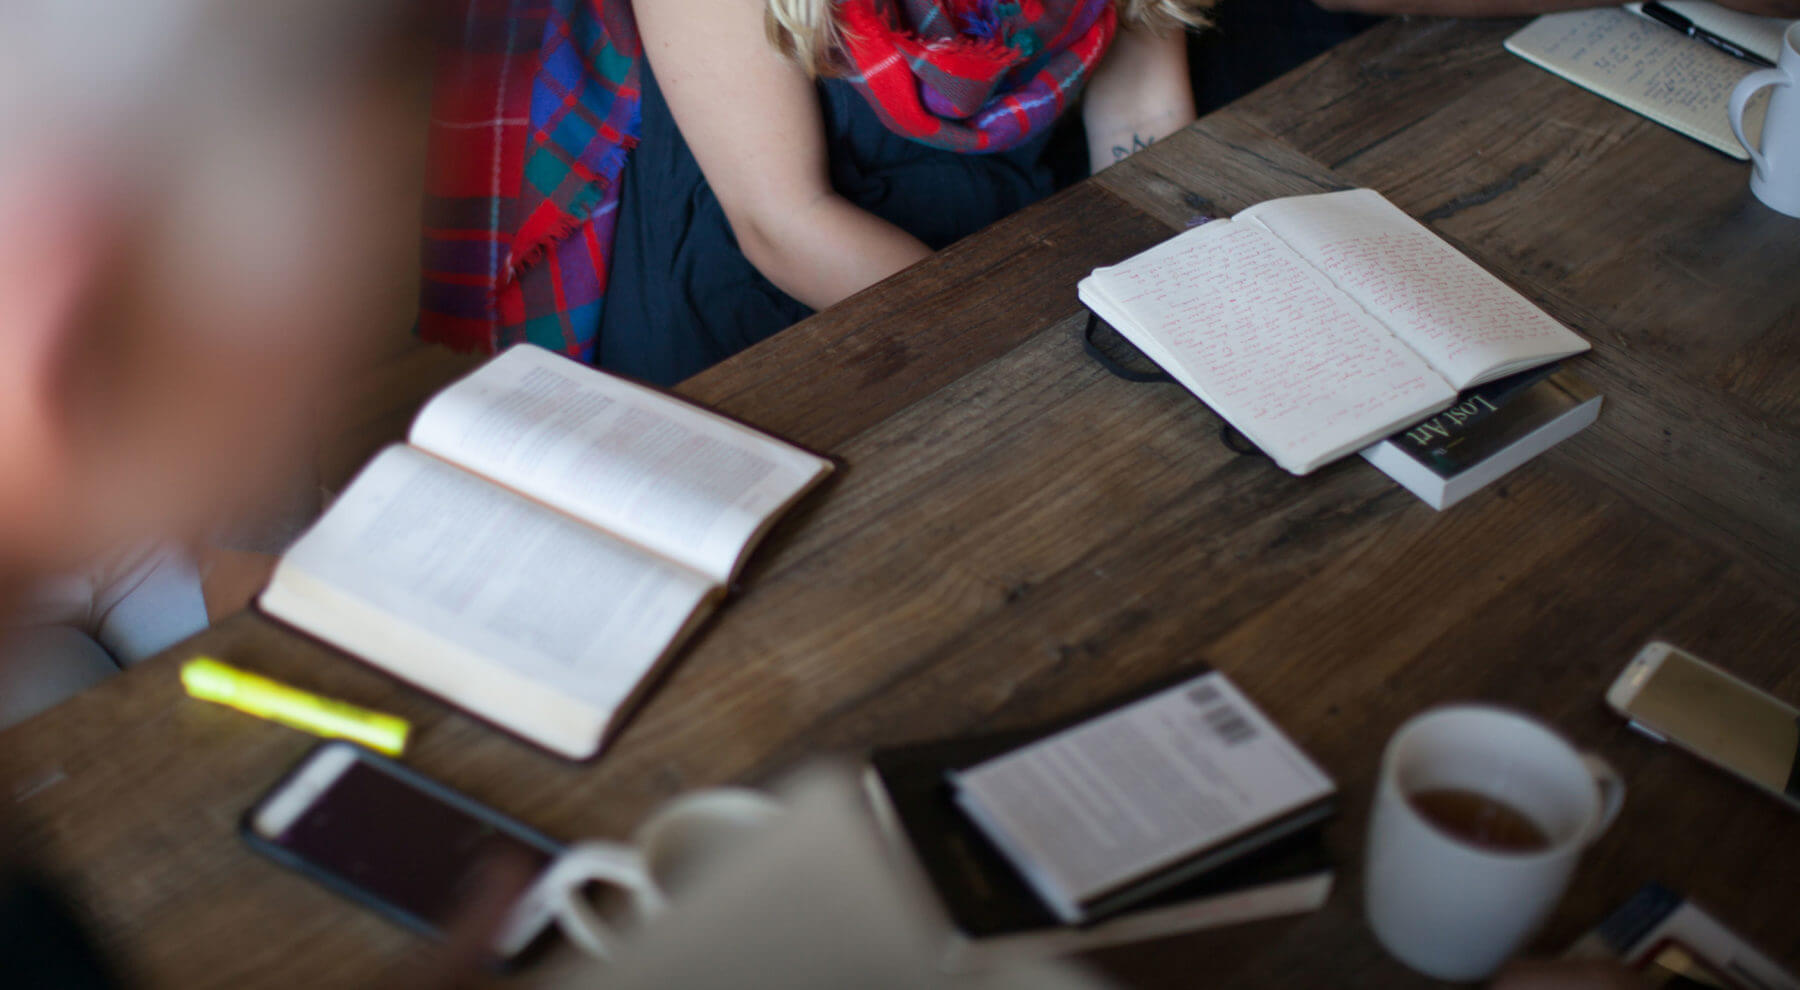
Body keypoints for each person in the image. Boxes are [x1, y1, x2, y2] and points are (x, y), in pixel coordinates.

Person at [417, 0, 1212, 385]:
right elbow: (783, 221)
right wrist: (1040, 358)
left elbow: (1143, 111)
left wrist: (1185, 309)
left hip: (1005, 242)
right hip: (765, 291)